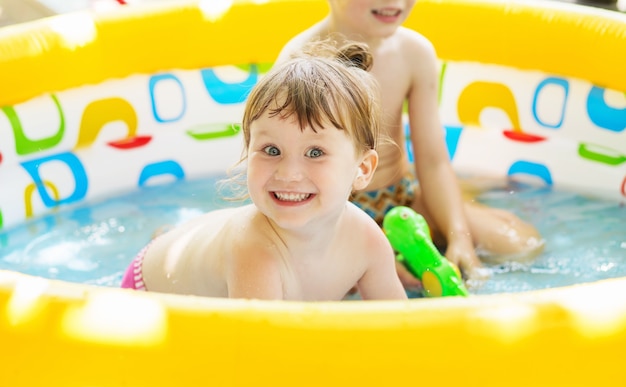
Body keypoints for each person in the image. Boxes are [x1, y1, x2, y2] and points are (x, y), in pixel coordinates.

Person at [276, 0, 544, 288]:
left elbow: (433, 161)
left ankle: (462, 204)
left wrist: (459, 237)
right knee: (331, 283)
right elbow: (291, 178)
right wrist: (366, 253)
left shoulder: (413, 53)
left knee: (521, 244)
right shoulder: (299, 64)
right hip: (330, 213)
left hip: (403, 199)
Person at [121, 41, 408, 301]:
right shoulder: (256, 253)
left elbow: (402, 329)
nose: (289, 173)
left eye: (315, 153)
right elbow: (263, 356)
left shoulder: (367, 240)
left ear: (362, 168)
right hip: (146, 298)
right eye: (271, 150)